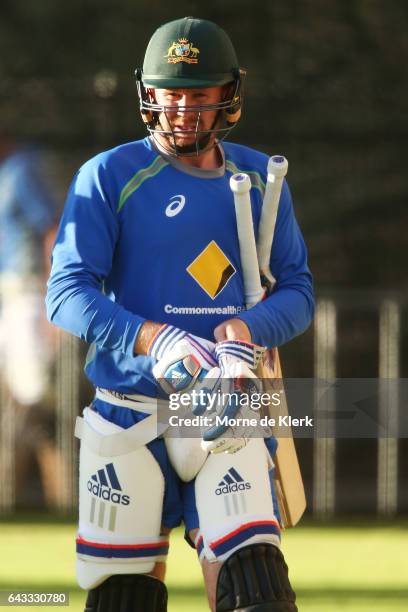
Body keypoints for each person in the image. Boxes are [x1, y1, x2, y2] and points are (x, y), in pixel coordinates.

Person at [46, 17, 314, 612]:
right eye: (172, 93)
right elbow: (66, 292)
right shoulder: (107, 176)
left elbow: (297, 292)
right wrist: (153, 338)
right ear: (149, 93)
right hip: (130, 415)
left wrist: (247, 330)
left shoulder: (262, 180)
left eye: (199, 94)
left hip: (226, 407)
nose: (184, 108)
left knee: (256, 593)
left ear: (228, 95)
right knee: (123, 599)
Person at [0, 132, 61, 509]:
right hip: (8, 296)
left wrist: (52, 302)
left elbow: (49, 230)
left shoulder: (22, 168)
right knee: (17, 399)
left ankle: (58, 498)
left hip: (26, 293)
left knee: (32, 397)